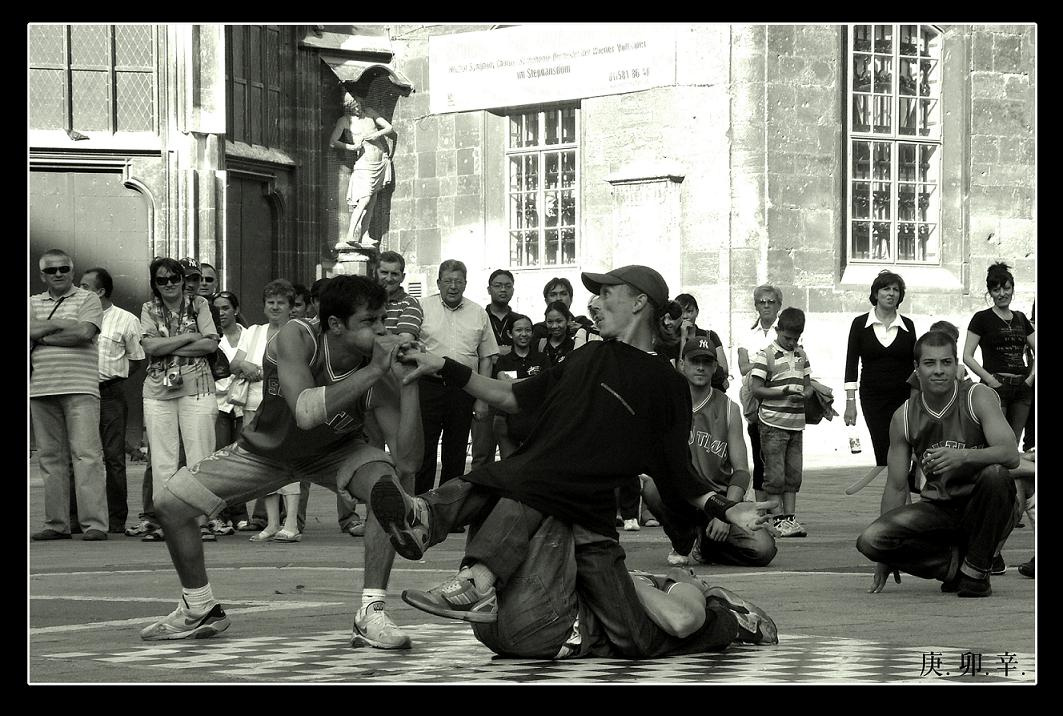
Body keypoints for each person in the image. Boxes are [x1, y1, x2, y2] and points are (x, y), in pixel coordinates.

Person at [370, 265, 772, 647]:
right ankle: (445, 542)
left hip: (590, 522)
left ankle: (726, 618)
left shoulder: (667, 384)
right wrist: (443, 366)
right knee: (528, 475)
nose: (595, 303)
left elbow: (676, 472)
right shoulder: (587, 356)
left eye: (607, 294)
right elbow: (511, 396)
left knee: (636, 638)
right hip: (543, 493)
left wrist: (725, 508)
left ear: (639, 303)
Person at [137, 275, 423, 649]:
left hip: (335, 453)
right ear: (335, 324)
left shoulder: (380, 368)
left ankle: (372, 612)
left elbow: (408, 462)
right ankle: (198, 607)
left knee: (387, 488)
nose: (383, 330)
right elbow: (305, 412)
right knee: (168, 504)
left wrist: (410, 383)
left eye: (383, 319)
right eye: (370, 321)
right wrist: (374, 371)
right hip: (266, 453)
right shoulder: (298, 335)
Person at [465, 516, 778, 660]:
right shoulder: (658, 588)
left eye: (702, 582)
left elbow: (682, 620)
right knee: (520, 491)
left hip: (544, 624)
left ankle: (469, 569)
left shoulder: (679, 586)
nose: (697, 576)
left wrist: (683, 584)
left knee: (550, 492)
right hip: (511, 626)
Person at [856, 330, 1020, 598]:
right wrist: (884, 558)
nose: (939, 371)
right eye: (929, 363)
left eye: (946, 362)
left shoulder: (977, 396)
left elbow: (1010, 454)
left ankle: (976, 572)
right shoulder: (904, 416)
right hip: (939, 508)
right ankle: (954, 567)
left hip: (984, 504)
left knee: (996, 474)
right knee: (871, 540)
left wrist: (962, 456)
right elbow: (896, 487)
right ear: (917, 368)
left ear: (956, 365)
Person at [654, 337, 777, 567]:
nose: (700, 367)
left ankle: (705, 545)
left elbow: (741, 471)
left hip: (718, 498)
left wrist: (727, 512)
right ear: (682, 364)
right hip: (682, 497)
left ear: (714, 367)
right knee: (652, 486)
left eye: (706, 362)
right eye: (694, 361)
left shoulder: (729, 408)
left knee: (764, 549)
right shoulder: (667, 405)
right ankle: (682, 539)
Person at [137, 257, 219, 543]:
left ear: (183, 280)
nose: (169, 284)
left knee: (200, 457)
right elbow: (149, 346)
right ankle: (168, 522)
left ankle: (202, 521)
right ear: (155, 284)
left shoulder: (199, 304)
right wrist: (188, 337)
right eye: (162, 280)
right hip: (158, 389)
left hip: (197, 387)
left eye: (174, 278)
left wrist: (166, 346)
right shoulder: (148, 308)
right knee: (162, 461)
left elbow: (210, 343)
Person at [30, 249, 109, 541]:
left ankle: (95, 524)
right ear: (42, 275)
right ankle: (57, 524)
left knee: (87, 456)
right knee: (50, 459)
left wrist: (42, 335)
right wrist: (61, 323)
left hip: (80, 387)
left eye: (64, 268)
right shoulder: (32, 302)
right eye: (51, 270)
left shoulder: (88, 299)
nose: (58, 274)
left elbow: (84, 333)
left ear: (72, 271)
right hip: (41, 387)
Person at [414, 259, 499, 495]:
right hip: (428, 387)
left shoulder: (478, 313)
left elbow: (486, 358)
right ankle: (421, 502)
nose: (453, 286)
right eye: (448, 281)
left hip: (463, 389)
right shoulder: (421, 308)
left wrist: (482, 398)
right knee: (424, 449)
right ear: (438, 282)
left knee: (456, 450)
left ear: (465, 284)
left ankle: (449, 504)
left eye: (458, 281)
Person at [233, 280, 303, 543]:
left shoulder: (298, 331)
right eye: (270, 302)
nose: (275, 307)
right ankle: (272, 523)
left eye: (281, 303)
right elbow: (234, 363)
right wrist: (245, 366)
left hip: (286, 407)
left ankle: (291, 523)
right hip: (254, 406)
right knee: (263, 466)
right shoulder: (253, 331)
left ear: (290, 306)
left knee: (288, 464)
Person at [78, 267, 146, 534]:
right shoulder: (74, 316)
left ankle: (116, 519)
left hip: (110, 393)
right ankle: (76, 517)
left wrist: (114, 377)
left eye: (85, 286)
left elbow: (136, 359)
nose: (79, 290)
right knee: (81, 456)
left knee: (114, 456)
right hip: (79, 391)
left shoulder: (126, 319)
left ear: (101, 291)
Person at [843, 271, 918, 491]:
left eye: (896, 290)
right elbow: (851, 365)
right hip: (872, 399)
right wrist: (850, 403)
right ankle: (897, 496)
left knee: (903, 448)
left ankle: (901, 498)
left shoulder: (908, 325)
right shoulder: (860, 324)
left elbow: (916, 365)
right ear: (876, 293)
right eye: (886, 289)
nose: (891, 294)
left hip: (903, 399)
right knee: (884, 452)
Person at [750, 307, 812, 537]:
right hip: (772, 423)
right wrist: (783, 392)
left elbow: (808, 384)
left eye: (796, 339)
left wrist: (806, 393)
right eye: (787, 338)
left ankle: (790, 517)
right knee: (775, 475)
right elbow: (756, 388)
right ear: (778, 330)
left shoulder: (801, 355)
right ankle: (777, 518)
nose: (791, 343)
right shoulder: (765, 355)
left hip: (795, 423)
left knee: (793, 474)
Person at [963, 262, 1035, 442]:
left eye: (1006, 288)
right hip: (996, 387)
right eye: (996, 290)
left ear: (1012, 289)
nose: (1002, 294)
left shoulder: (1021, 318)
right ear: (990, 293)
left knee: (1014, 442)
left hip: (1022, 387)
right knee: (996, 442)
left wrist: (1031, 378)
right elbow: (967, 356)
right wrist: (990, 380)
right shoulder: (981, 318)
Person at [330, 93, 395, 249]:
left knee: (371, 202)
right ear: (349, 108)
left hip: (379, 162)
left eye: (359, 105)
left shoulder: (370, 113)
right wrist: (352, 147)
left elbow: (389, 128)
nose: (358, 109)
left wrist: (376, 134)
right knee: (364, 199)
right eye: (354, 108)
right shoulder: (345, 121)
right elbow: (333, 142)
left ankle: (365, 235)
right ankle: (350, 234)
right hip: (364, 164)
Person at [736, 284, 783, 502]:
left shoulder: (785, 332)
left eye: (771, 302)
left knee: (779, 456)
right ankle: (762, 506)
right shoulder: (747, 334)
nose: (766, 306)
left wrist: (758, 362)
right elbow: (742, 367)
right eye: (761, 302)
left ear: (779, 305)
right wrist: (767, 363)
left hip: (779, 399)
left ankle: (780, 509)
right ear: (756, 305)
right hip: (754, 400)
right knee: (759, 453)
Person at [206, 290, 247, 535]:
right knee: (220, 459)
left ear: (236, 310)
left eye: (225, 308)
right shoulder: (210, 337)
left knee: (241, 461)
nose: (221, 313)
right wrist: (235, 370)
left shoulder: (249, 335)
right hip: (218, 404)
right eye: (217, 309)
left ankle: (240, 513)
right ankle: (220, 514)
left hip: (243, 404)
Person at [471, 269, 516, 470]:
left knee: (513, 453)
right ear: (489, 289)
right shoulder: (478, 316)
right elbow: (475, 351)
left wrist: (494, 353)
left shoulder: (519, 320)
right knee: (482, 453)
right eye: (498, 285)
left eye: (507, 285)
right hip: (484, 390)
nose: (503, 289)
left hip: (511, 390)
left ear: (513, 289)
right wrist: (499, 351)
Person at [490, 314, 546, 459]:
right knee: (509, 465)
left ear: (532, 333)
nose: (523, 334)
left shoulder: (542, 358)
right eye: (518, 330)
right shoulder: (503, 361)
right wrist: (533, 380)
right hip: (507, 420)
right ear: (510, 333)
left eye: (528, 330)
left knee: (534, 463)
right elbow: (504, 386)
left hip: (536, 420)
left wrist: (514, 382)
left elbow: (545, 384)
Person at [377, 251, 423, 342]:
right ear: (374, 273)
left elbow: (404, 342)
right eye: (384, 273)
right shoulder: (364, 300)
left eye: (394, 274)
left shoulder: (409, 303)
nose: (389, 279)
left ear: (403, 277)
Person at [531, 277, 593, 344]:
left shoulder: (584, 323)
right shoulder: (539, 330)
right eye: (553, 295)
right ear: (546, 301)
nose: (558, 298)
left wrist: (583, 329)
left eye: (563, 294)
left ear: (571, 299)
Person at [538, 301, 584, 367]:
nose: (554, 326)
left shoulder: (575, 346)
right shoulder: (540, 345)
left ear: (568, 320)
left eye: (559, 321)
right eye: (550, 322)